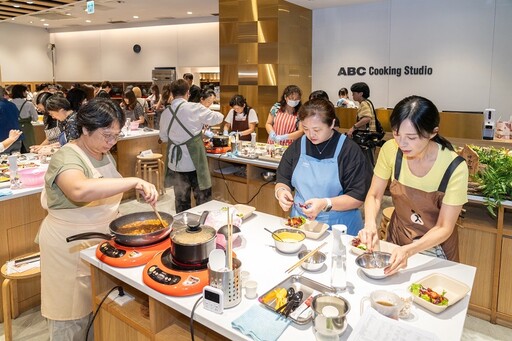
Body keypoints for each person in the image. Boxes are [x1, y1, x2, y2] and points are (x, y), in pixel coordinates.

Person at [38, 97, 159, 340]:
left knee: (98, 309)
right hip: (69, 247)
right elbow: (79, 190)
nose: (111, 141)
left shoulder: (105, 154)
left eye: (116, 135)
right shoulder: (67, 156)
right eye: (106, 134)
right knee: (70, 316)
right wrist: (134, 181)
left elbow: (105, 188)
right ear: (85, 129)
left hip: (99, 242)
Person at [358, 95, 468, 275]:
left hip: (435, 248)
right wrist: (370, 224)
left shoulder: (454, 166)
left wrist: (409, 250)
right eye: (396, 134)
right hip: (397, 238)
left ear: (433, 132)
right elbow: (375, 195)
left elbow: (444, 227)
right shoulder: (390, 150)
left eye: (411, 137)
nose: (402, 143)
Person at [274, 99, 373, 235]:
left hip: (338, 227)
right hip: (302, 224)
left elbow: (357, 197)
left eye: (317, 129)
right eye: (306, 129)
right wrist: (281, 192)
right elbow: (283, 177)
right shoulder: (298, 145)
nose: (311, 135)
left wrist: (325, 203)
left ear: (332, 123)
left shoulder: (349, 150)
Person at [159, 79, 224, 213]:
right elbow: (219, 118)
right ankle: (204, 227)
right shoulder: (195, 108)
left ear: (172, 93)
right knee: (203, 198)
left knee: (181, 200)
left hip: (175, 163)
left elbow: (164, 138)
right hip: (194, 162)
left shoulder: (165, 113)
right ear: (187, 92)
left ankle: (183, 228)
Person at [347, 82, 381, 166]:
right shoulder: (368, 102)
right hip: (370, 137)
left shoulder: (363, 104)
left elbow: (367, 117)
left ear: (361, 93)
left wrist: (353, 128)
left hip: (366, 138)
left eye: (354, 93)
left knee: (367, 162)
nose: (352, 95)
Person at [11, 84, 38, 152]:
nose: (26, 93)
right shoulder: (28, 104)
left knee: (14, 149)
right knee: (29, 148)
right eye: (25, 91)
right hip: (27, 129)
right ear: (22, 92)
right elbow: (35, 118)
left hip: (13, 129)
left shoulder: (9, 103)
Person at [0, 86, 23, 154]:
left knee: (4, 163)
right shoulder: (12, 105)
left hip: (3, 141)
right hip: (16, 138)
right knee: (16, 162)